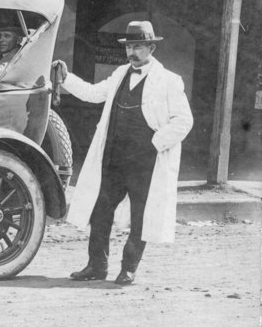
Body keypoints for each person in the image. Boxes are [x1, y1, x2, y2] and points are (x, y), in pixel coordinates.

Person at [54, 21, 193, 286]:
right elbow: (94, 94)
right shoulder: (120, 74)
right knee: (100, 211)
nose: (133, 51)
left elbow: (183, 121)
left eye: (138, 46)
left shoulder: (169, 81)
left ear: (151, 47)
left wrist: (155, 143)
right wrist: (66, 78)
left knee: (141, 217)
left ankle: (128, 268)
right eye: (129, 46)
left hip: (145, 163)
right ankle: (96, 266)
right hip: (115, 159)